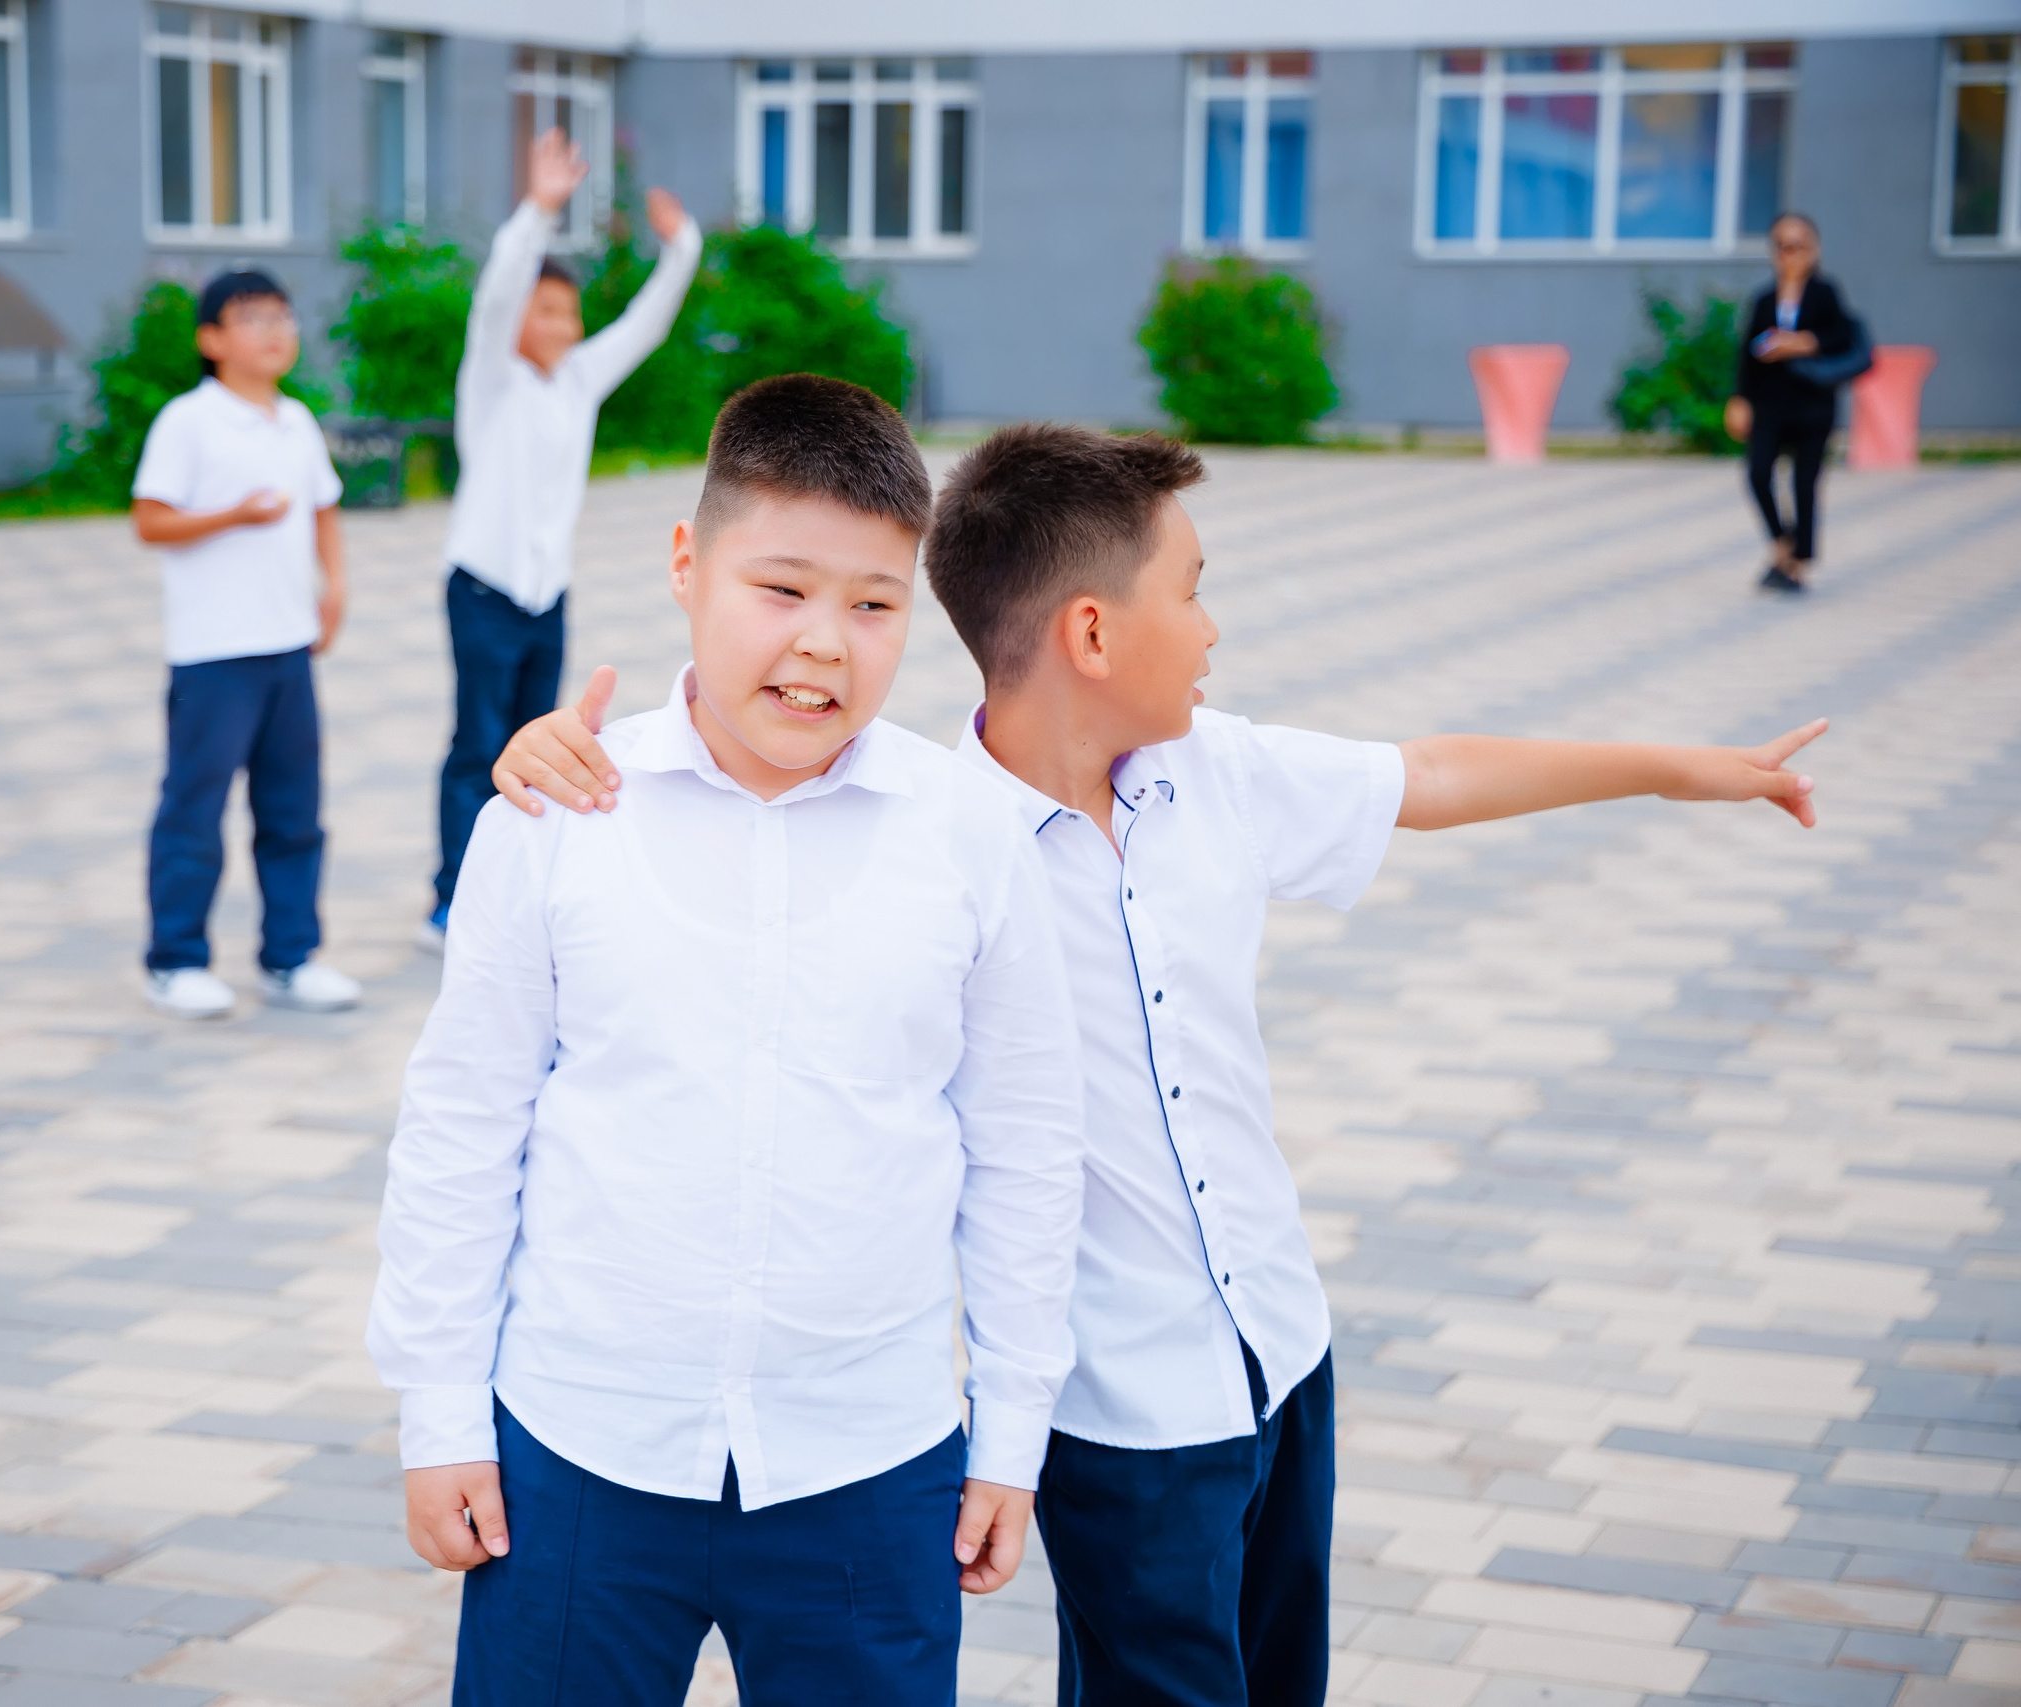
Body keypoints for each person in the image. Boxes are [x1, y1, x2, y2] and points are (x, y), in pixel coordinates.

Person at [493, 424, 1828, 1707]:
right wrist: (572, 761)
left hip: (1281, 1351)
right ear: (1091, 629)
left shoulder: (1217, 772)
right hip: (1120, 1409)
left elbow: (1428, 772)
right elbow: (748, 922)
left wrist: (1671, 768)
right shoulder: (939, 844)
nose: (1211, 628)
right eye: (1192, 591)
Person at [365, 377, 1085, 1707]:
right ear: (688, 565)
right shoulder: (560, 810)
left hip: (869, 1461)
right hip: (575, 1452)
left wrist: (1015, 1428)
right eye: (783, 588)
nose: (826, 645)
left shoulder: (972, 833)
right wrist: (439, 1411)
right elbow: (465, 1123)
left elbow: (1029, 1143)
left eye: (874, 604)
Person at [417, 126, 703, 953]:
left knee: (535, 737)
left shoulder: (577, 383)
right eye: (547, 308)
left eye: (570, 309)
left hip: (547, 594)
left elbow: (644, 328)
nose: (564, 322)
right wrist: (539, 211)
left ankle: (518, 882)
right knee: (477, 742)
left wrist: (680, 246)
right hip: (482, 589)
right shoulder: (492, 382)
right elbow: (496, 296)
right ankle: (451, 898)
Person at [130, 269, 360, 1020]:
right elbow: (150, 520)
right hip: (212, 653)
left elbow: (323, 509)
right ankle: (175, 960)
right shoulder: (188, 422)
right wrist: (232, 515)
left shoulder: (294, 420)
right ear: (211, 339)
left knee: (295, 810)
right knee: (195, 808)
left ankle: (291, 956)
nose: (273, 331)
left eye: (283, 316)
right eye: (252, 317)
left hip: (286, 647)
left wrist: (334, 586)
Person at [1725, 211, 1861, 595]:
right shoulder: (1764, 300)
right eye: (1782, 247)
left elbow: (1842, 337)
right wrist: (1740, 399)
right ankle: (1783, 543)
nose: (1791, 255)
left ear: (1814, 249)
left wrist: (1800, 342)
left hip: (1812, 405)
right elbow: (1747, 353)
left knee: (1805, 483)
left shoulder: (1826, 293)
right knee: (1757, 473)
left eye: (1798, 246)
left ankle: (1796, 564)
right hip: (1770, 403)